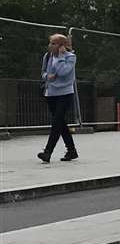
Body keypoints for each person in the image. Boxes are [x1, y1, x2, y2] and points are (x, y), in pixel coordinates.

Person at [38, 32, 79, 163]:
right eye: (50, 43)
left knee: (56, 123)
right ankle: (72, 151)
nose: (50, 45)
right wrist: (46, 77)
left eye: (54, 43)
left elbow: (63, 72)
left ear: (62, 46)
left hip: (65, 94)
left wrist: (61, 56)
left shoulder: (71, 57)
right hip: (51, 94)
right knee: (60, 123)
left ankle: (47, 152)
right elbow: (43, 72)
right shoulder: (48, 56)